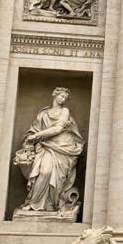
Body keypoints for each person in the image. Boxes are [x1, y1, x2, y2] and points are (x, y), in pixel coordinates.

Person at [14, 87, 84, 216]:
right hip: (46, 146)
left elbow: (57, 129)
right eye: (61, 96)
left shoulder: (65, 111)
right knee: (44, 172)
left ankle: (51, 204)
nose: (63, 99)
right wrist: (30, 138)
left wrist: (36, 136)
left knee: (55, 176)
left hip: (62, 147)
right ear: (54, 95)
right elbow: (34, 129)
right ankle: (34, 203)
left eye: (65, 98)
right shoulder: (44, 113)